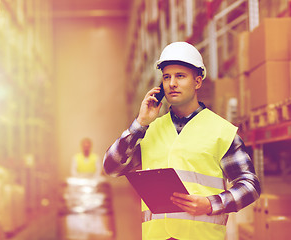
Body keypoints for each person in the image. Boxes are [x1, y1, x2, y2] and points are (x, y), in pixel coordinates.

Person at [103, 41, 261, 240]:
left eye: (180, 76)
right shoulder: (149, 130)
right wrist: (140, 123)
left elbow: (250, 185)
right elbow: (111, 167)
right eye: (167, 77)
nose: (172, 84)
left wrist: (212, 203)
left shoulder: (221, 132)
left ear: (197, 82)